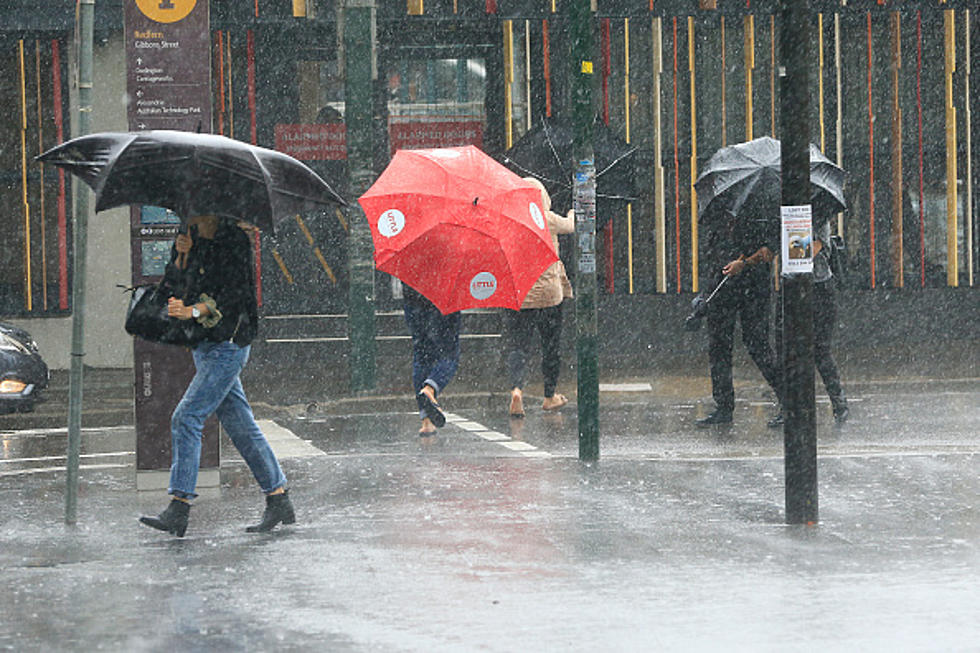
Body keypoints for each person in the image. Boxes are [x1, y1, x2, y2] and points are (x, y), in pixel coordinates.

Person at [139, 215, 294, 537]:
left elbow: (234, 297)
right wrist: (182, 256)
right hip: (204, 345)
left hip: (229, 344)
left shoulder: (234, 242)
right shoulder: (190, 237)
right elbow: (176, 287)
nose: (188, 214)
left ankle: (179, 507)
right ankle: (278, 498)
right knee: (241, 426)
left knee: (187, 417)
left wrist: (194, 311)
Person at [697, 214, 784, 426]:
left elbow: (768, 252)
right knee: (718, 347)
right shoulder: (719, 214)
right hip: (722, 286)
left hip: (753, 288)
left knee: (757, 345)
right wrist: (706, 291)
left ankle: (788, 399)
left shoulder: (762, 214)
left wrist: (743, 263)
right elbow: (712, 251)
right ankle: (724, 406)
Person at [507, 177, 575, 417]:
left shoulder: (511, 221)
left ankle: (517, 389)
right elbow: (571, 226)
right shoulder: (547, 218)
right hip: (549, 295)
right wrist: (573, 210)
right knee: (550, 346)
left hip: (521, 293)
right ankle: (549, 396)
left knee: (519, 345)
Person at [773, 220, 849, 425]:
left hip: (818, 287)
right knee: (786, 349)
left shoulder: (818, 217)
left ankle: (839, 401)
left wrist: (789, 250)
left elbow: (812, 249)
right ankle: (789, 406)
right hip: (790, 287)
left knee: (820, 349)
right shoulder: (783, 214)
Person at [403, 283, 461, 435]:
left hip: (413, 298)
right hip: (444, 297)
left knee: (421, 357)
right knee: (449, 355)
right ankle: (430, 388)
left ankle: (426, 421)